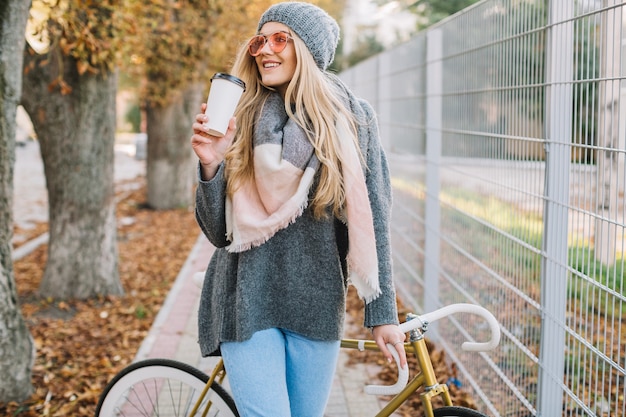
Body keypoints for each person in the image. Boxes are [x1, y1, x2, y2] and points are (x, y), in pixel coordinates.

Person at [190, 2, 407, 416]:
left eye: (280, 39)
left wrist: (383, 314)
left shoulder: (353, 119)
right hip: (245, 300)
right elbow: (219, 233)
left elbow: (374, 216)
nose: (265, 50)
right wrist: (210, 164)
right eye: (259, 41)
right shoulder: (239, 113)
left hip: (316, 303)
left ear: (308, 50)